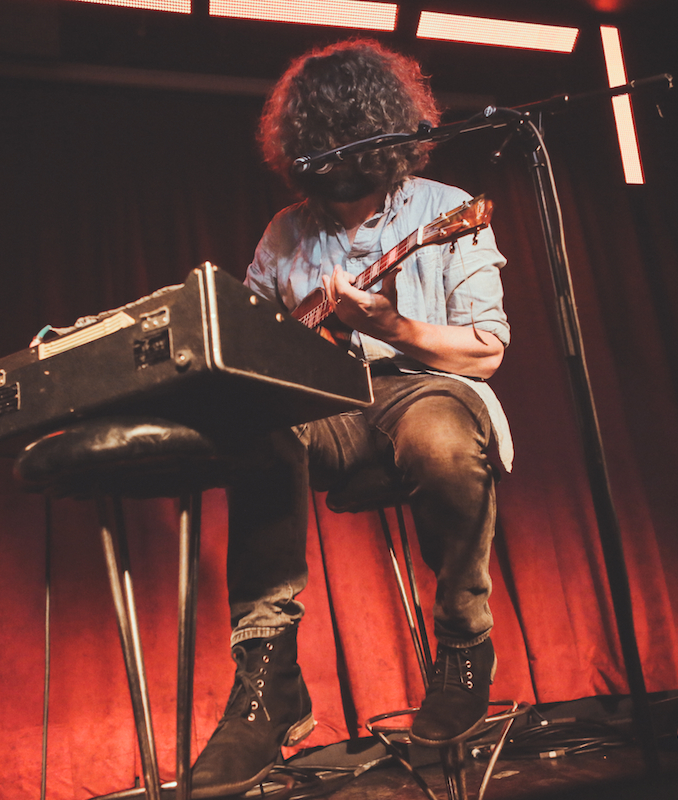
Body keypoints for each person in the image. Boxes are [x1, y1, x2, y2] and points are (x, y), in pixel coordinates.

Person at [190, 39, 513, 798]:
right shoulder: (282, 234)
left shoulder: (444, 209)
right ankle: (269, 680)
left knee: (439, 438)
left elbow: (487, 351)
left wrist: (393, 327)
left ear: (382, 128)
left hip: (425, 387)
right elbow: (253, 351)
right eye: (319, 140)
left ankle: (464, 643)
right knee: (255, 429)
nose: (334, 155)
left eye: (349, 133)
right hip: (327, 406)